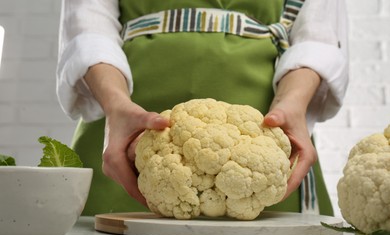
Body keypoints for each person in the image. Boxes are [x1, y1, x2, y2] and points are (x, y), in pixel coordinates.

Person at [56, 0, 349, 216]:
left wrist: (292, 105)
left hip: (261, 123)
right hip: (124, 115)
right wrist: (116, 104)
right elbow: (87, 25)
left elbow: (317, 36)